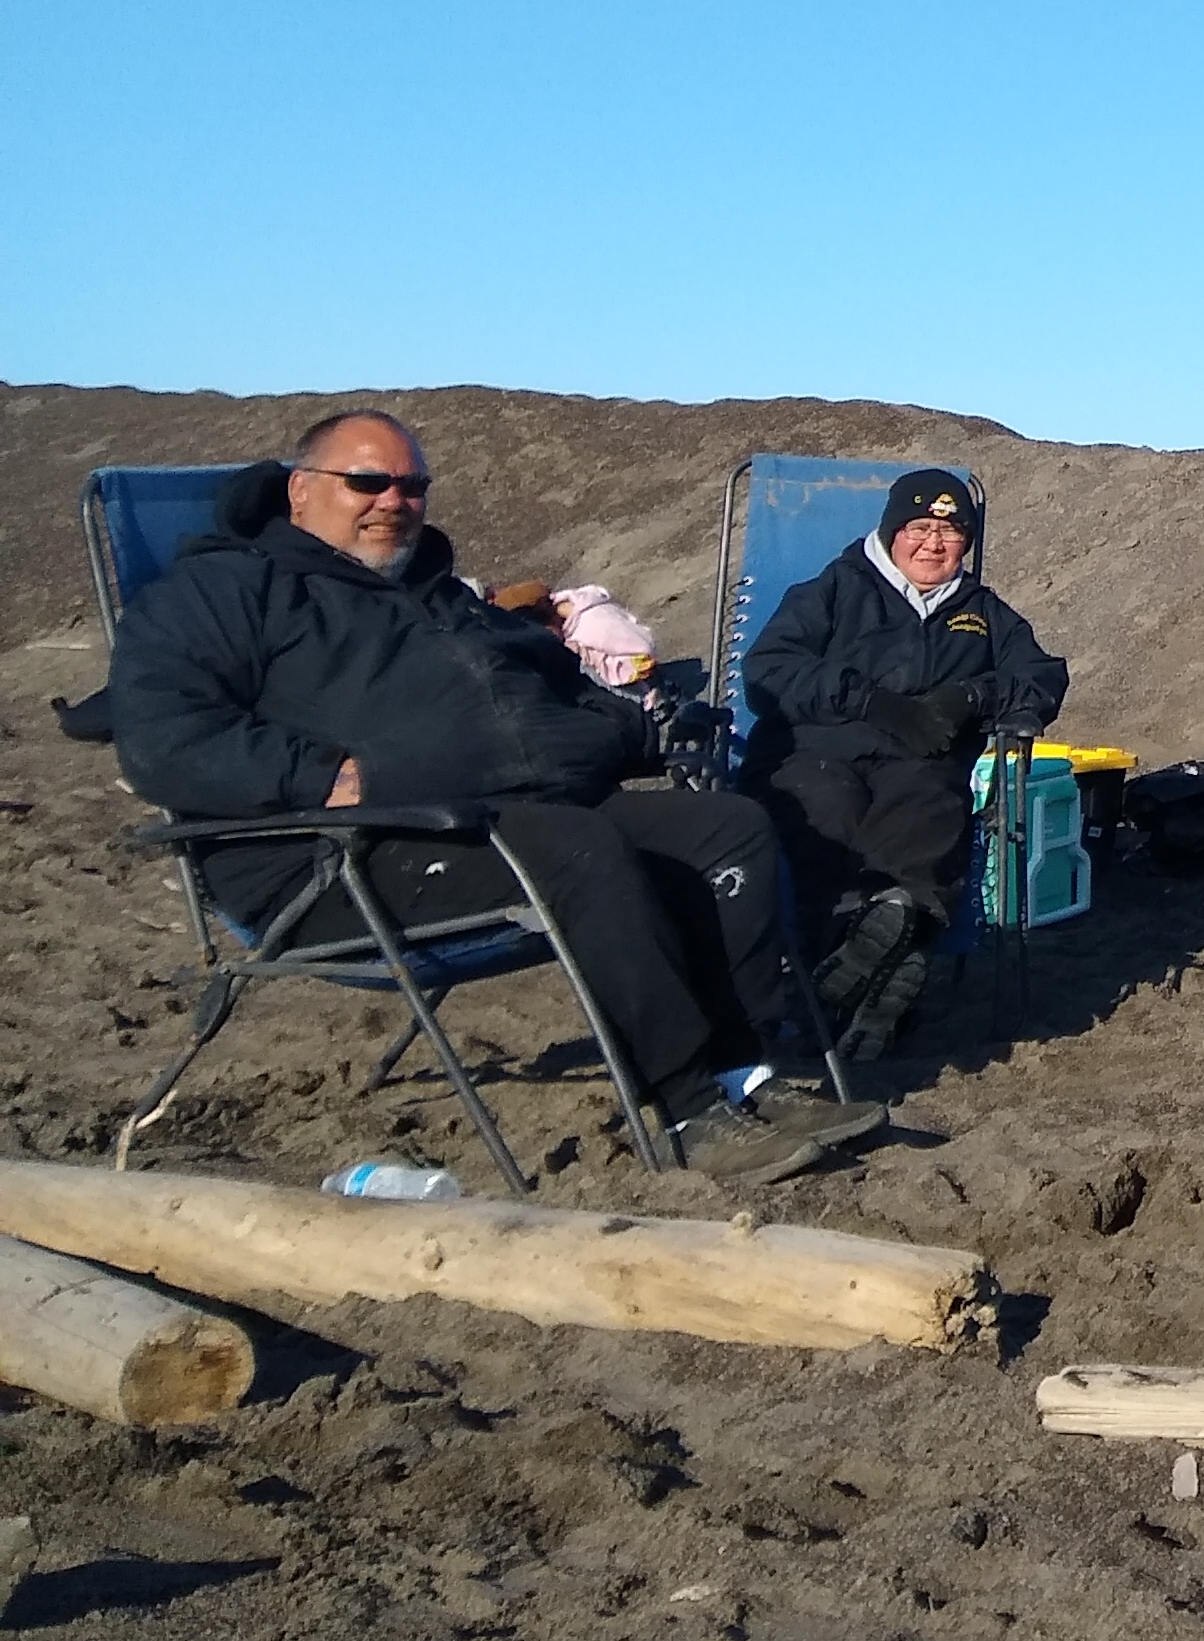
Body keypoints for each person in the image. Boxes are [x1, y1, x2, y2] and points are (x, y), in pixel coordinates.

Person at [110, 412, 880, 1183]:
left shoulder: (434, 594)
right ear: (301, 492)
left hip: (497, 815)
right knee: (578, 850)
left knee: (727, 827)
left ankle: (741, 1074)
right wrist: (323, 779)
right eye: (368, 482)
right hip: (336, 859)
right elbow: (161, 739)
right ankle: (688, 1109)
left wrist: (622, 729)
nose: (394, 501)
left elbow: (542, 680)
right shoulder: (220, 591)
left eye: (413, 486)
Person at [745, 466, 1072, 1049]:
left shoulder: (981, 611)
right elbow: (768, 671)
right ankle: (878, 958)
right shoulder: (833, 591)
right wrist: (869, 700)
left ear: (966, 544)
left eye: (950, 534)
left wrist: (973, 695)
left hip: (921, 763)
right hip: (815, 753)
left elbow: (1042, 675)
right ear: (892, 531)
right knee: (825, 809)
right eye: (919, 527)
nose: (933, 543)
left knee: (927, 812)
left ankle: (867, 952)